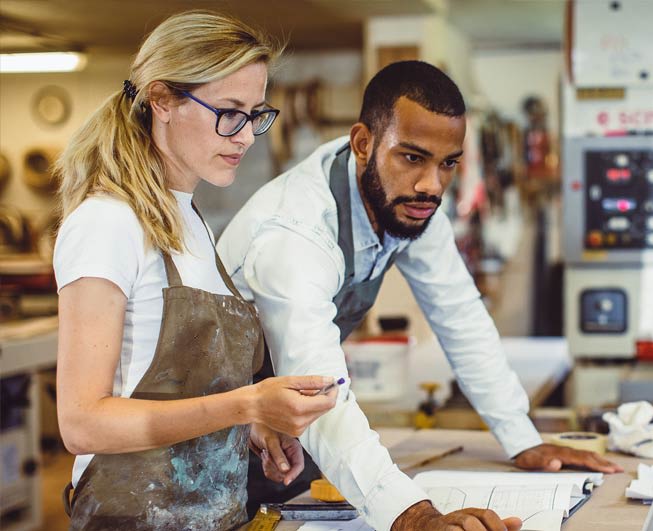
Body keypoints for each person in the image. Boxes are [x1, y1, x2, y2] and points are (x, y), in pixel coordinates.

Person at [218, 60, 623, 531]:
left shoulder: (409, 204)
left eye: (448, 162)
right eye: (412, 157)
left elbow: (461, 316)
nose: (432, 185)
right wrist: (412, 516)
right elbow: (316, 391)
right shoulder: (296, 233)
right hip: (209, 441)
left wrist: (522, 439)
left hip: (289, 434)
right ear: (363, 144)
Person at [53, 11, 337, 530]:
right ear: (162, 100)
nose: (247, 135)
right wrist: (246, 403)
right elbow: (82, 421)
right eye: (229, 112)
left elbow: (183, 395)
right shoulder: (106, 223)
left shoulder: (192, 221)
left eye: (255, 114)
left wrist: (252, 426)